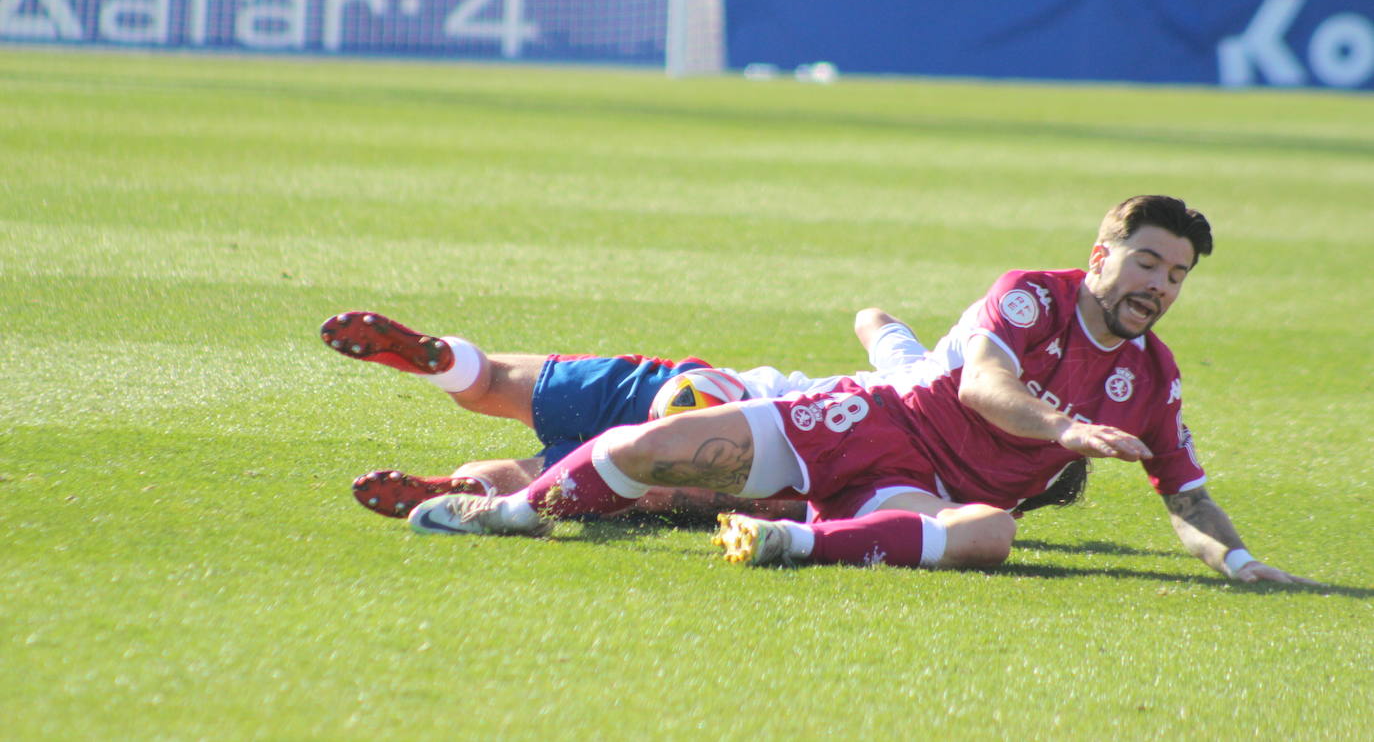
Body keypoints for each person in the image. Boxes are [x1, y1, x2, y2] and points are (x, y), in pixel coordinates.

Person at [403, 196, 1314, 585]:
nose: (1160, 283)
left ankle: (790, 542)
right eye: (1147, 260)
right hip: (877, 423)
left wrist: (1236, 562)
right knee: (656, 447)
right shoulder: (1036, 295)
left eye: (1179, 274)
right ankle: (522, 507)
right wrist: (1063, 432)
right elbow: (987, 387)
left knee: (989, 535)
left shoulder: (1153, 379)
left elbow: (1185, 493)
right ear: (1102, 257)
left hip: (939, 493)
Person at [322, 307, 935, 520]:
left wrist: (902, 342)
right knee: (573, 478)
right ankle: (473, 490)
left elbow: (873, 318)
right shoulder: (943, 469)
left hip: (700, 391)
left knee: (497, 382)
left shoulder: (925, 376)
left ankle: (448, 362)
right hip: (754, 448)